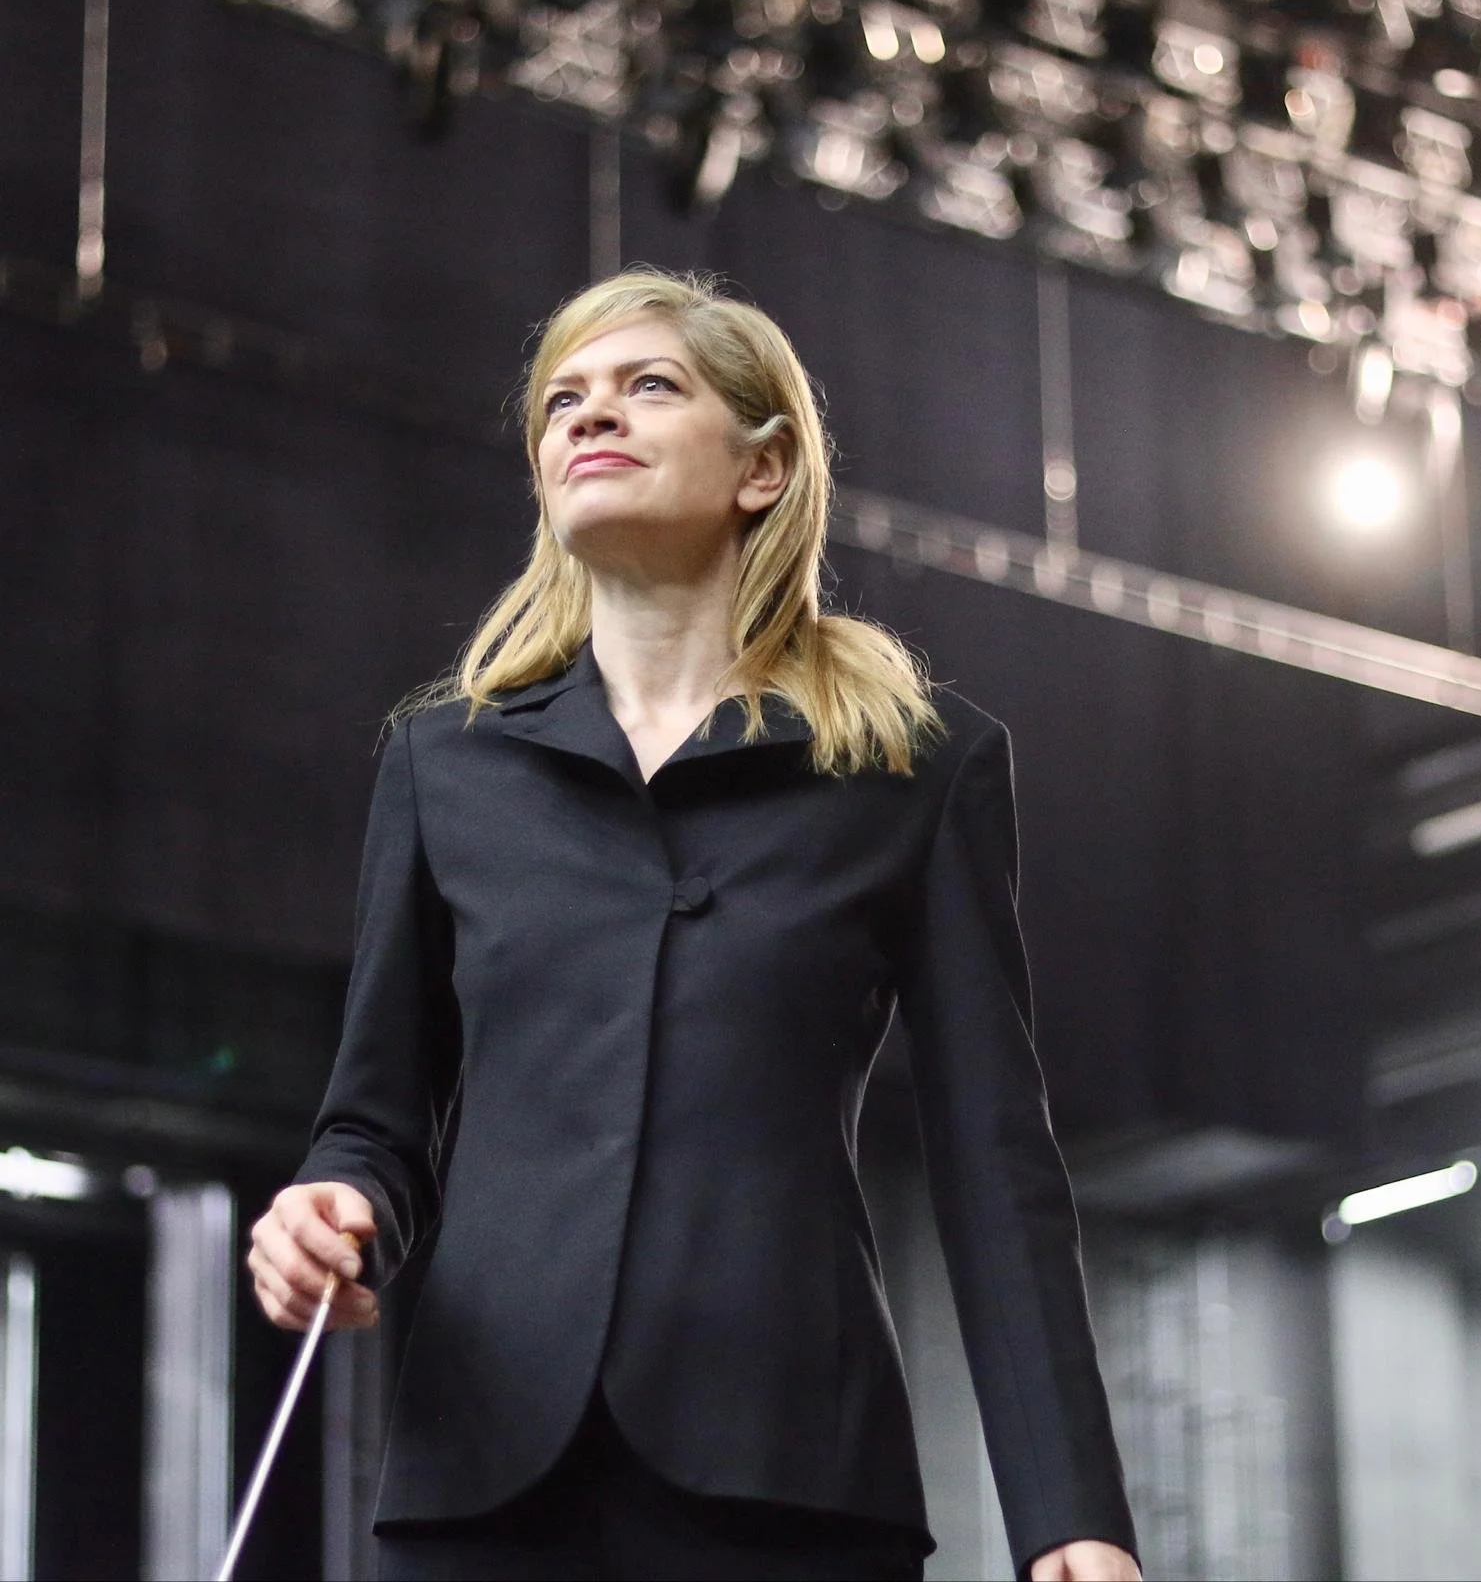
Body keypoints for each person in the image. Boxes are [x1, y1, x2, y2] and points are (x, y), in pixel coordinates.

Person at [247, 267, 1141, 1582]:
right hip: (483, 1487)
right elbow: (377, 1121)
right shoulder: (444, 766)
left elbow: (994, 1167)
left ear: (764, 468)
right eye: (562, 401)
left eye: (646, 386)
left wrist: (1072, 1516)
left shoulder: (918, 768)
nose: (588, 418)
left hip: (790, 1476)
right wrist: (329, 1202)